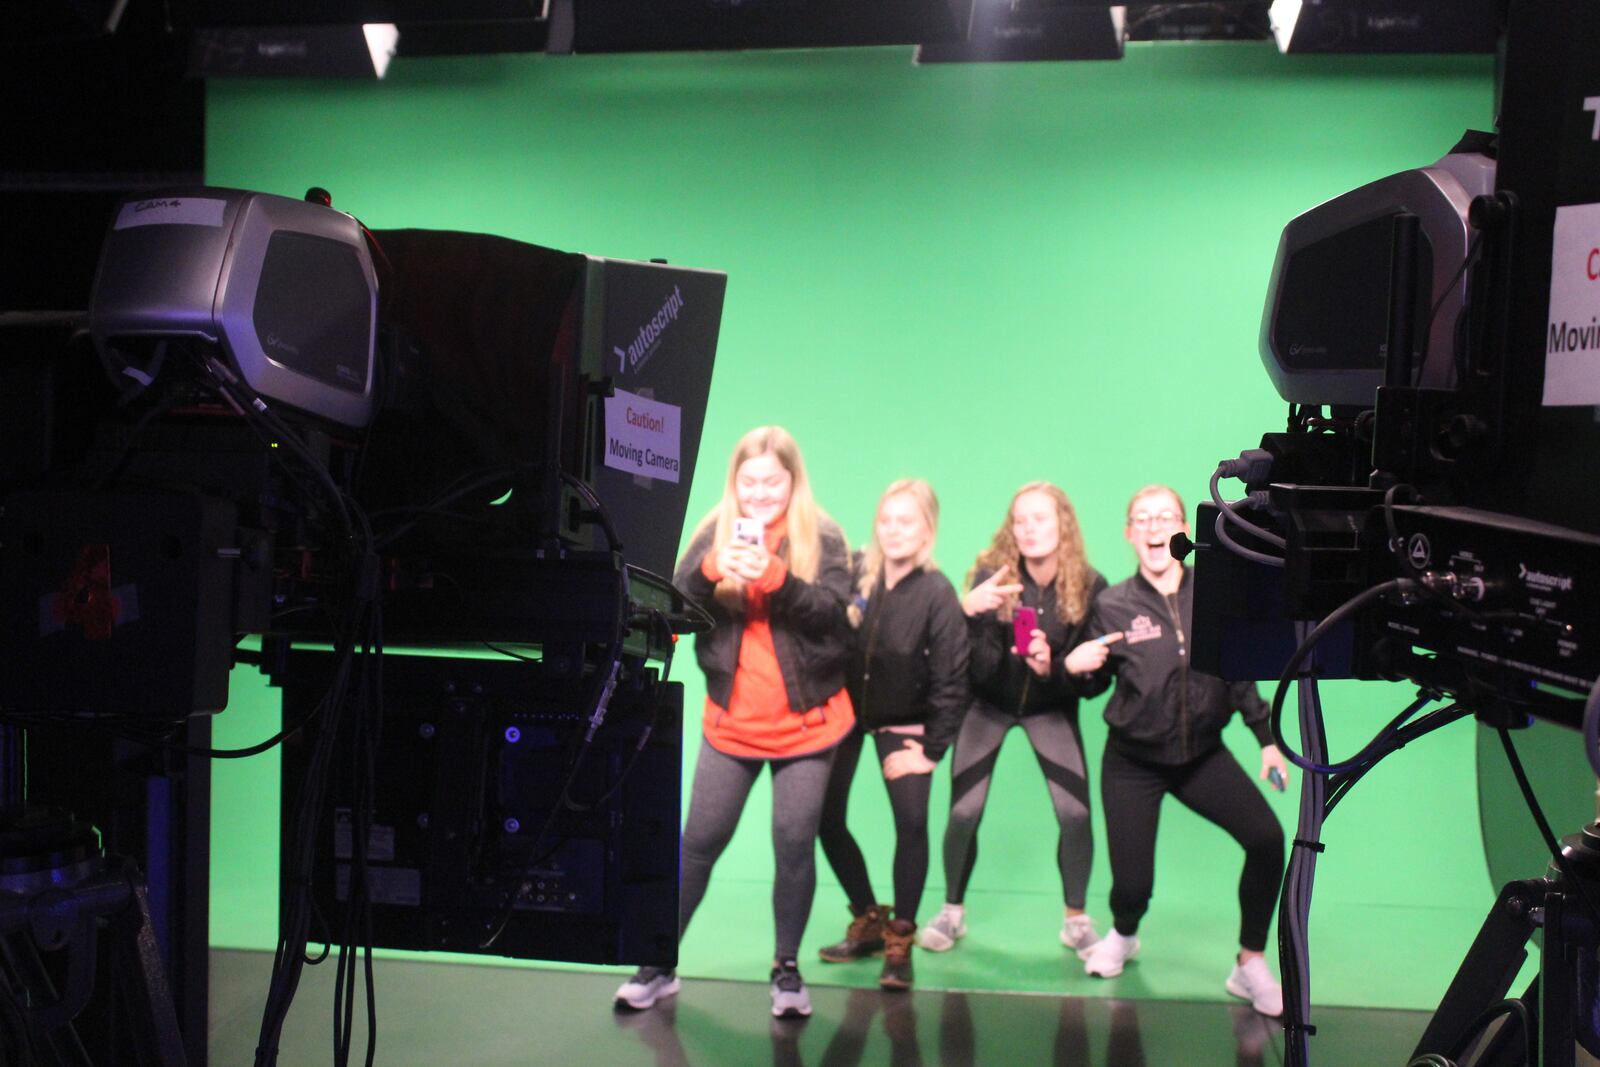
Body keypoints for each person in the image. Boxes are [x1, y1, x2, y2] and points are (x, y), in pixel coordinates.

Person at [613, 426, 854, 1019]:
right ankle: (658, 963)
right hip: (733, 722)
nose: (761, 492)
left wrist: (778, 581)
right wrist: (708, 573)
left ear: (792, 481)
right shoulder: (711, 532)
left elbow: (836, 620)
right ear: (734, 481)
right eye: (749, 481)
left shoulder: (821, 535)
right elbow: (670, 610)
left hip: (808, 725)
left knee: (794, 844)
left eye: (773, 480)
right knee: (696, 844)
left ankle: (787, 970)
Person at [1066, 484, 1289, 1017]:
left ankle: (1249, 962)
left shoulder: (1213, 592)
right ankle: (1123, 934)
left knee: (1267, 839)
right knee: (1134, 883)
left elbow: (1237, 672)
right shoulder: (1111, 603)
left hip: (1201, 757)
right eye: (1141, 518)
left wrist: (1267, 741)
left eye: (1164, 516)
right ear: (1128, 533)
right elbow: (1093, 684)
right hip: (1132, 762)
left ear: (1184, 528)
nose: (1153, 526)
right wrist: (1076, 670)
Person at [920, 482, 1106, 957]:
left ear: (1062, 523)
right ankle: (952, 911)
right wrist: (968, 614)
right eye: (1020, 520)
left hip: (1050, 707)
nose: (1028, 529)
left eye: (1040, 518)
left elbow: (1094, 682)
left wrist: (1053, 668)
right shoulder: (992, 577)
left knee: (1076, 814)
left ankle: (1076, 919)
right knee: (963, 811)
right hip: (989, 704)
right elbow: (962, 664)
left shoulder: (1089, 586)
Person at [814, 479, 971, 990]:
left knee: (911, 821)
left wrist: (931, 751)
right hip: (849, 714)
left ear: (927, 529)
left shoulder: (938, 593)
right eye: (887, 519)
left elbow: (952, 678)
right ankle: (869, 919)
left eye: (906, 520)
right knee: (823, 818)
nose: (894, 530)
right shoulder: (861, 574)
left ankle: (902, 937)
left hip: (905, 720)